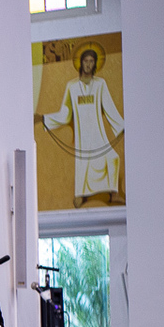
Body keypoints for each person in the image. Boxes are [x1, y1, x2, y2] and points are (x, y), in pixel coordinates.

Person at [35, 46, 125, 208]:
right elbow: (65, 114)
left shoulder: (100, 84)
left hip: (98, 132)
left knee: (112, 157)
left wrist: (122, 126)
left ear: (95, 64)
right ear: (80, 63)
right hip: (83, 135)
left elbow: (109, 107)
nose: (88, 65)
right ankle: (80, 196)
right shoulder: (72, 86)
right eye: (86, 61)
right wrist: (44, 118)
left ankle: (114, 193)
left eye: (91, 62)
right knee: (83, 162)